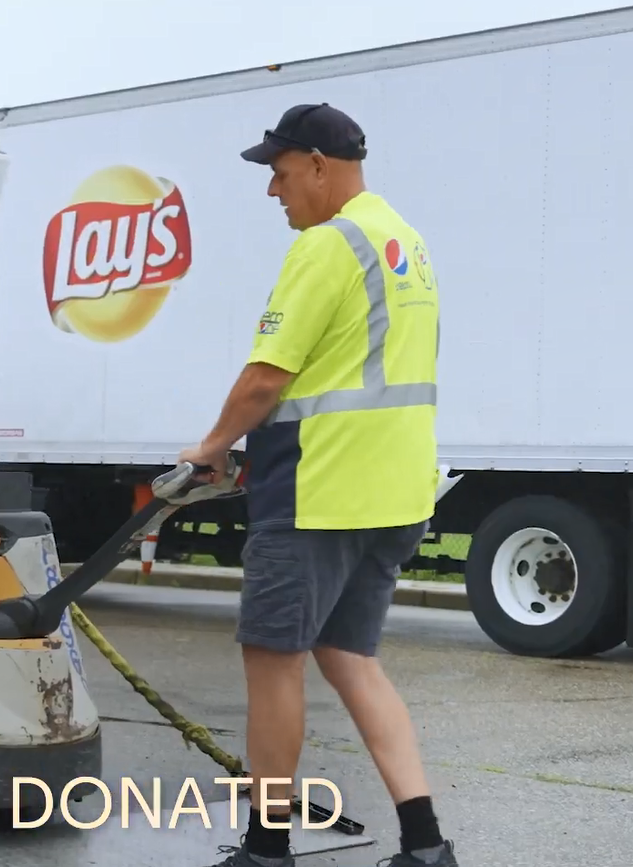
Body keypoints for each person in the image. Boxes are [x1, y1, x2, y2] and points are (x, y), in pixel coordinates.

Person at [181, 103, 454, 867]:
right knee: (350, 656)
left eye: (277, 172)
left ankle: (266, 849)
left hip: (319, 490)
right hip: (395, 489)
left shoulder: (326, 246)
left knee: (272, 660)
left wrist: (211, 446)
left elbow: (267, 377)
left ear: (317, 165)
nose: (273, 190)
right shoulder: (406, 243)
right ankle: (425, 844)